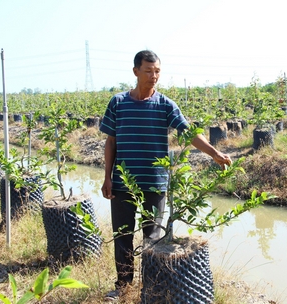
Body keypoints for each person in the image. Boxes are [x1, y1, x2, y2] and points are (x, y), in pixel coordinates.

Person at [100, 50, 232, 301]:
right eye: (148, 70)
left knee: (153, 238)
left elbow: (190, 132)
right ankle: (123, 287)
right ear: (136, 71)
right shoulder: (118, 103)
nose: (154, 76)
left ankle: (150, 290)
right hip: (122, 183)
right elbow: (111, 141)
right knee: (122, 235)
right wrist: (107, 176)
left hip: (155, 182)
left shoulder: (165, 105)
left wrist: (214, 153)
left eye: (157, 71)